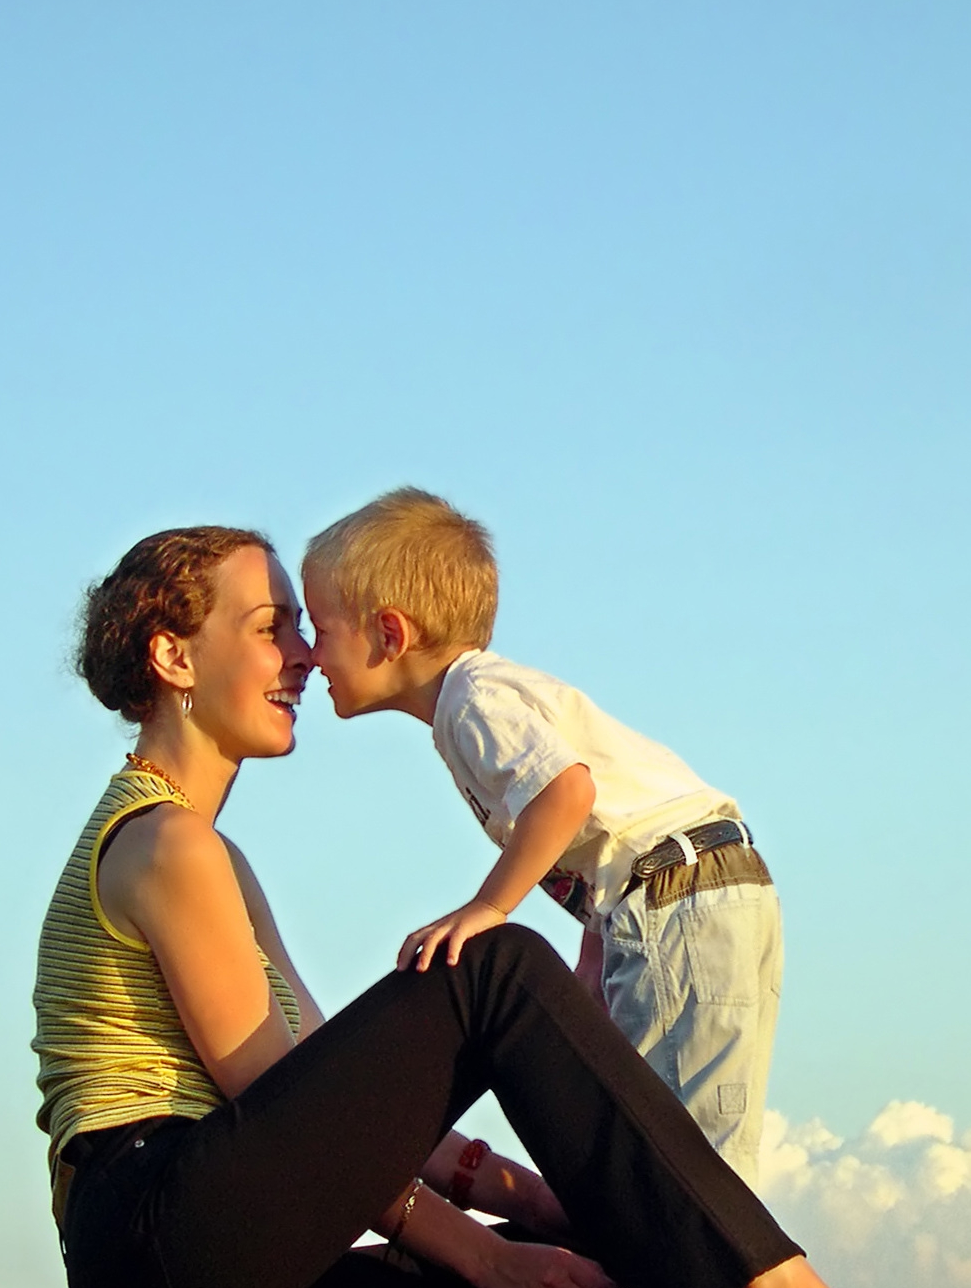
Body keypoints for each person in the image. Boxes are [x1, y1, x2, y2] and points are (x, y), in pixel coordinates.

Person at [29, 523, 949, 1288]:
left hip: (188, 1265)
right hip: (159, 1231)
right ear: (173, 656)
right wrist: (482, 1247)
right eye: (272, 629)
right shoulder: (165, 844)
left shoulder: (210, 856)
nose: (304, 656)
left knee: (515, 1258)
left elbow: (327, 1104)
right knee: (492, 963)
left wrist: (540, 1208)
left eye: (304, 631)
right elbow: (268, 1087)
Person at [300, 488, 779, 1189]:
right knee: (678, 1128)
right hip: (683, 886)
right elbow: (606, 827)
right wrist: (596, 955)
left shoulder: (473, 700)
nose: (309, 655)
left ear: (389, 633)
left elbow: (566, 794)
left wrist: (487, 909)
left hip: (679, 896)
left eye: (318, 628)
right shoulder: (477, 700)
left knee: (680, 1146)